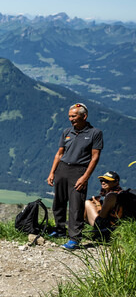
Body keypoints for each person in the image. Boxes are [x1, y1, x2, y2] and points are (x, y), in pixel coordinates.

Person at [46, 103, 103, 250]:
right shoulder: (67, 132)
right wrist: (52, 172)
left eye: (74, 116)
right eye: (69, 116)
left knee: (76, 205)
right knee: (58, 202)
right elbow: (59, 153)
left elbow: (95, 157)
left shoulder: (95, 133)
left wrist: (85, 177)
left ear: (84, 116)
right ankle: (60, 229)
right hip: (62, 169)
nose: (71, 119)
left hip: (79, 171)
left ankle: (74, 239)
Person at [84, 171, 136, 242]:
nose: (103, 182)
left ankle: (79, 229)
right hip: (115, 224)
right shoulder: (119, 194)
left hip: (106, 227)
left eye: (107, 181)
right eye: (102, 180)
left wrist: (98, 205)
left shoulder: (111, 196)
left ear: (116, 182)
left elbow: (101, 217)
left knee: (87, 203)